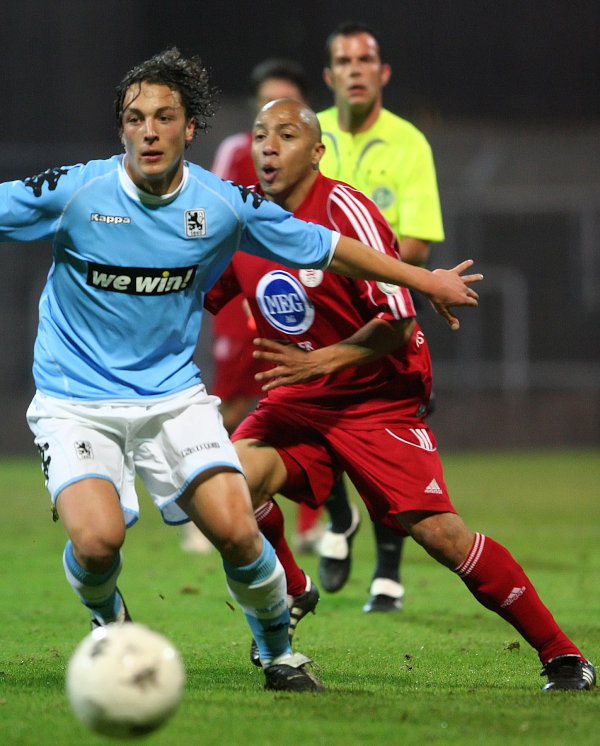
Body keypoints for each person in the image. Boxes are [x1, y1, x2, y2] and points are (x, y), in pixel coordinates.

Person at [0, 48, 480, 694]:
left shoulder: (221, 204)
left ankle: (279, 654)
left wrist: (424, 280)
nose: (149, 131)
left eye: (164, 117)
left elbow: (329, 248)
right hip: (76, 398)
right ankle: (107, 618)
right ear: (121, 128)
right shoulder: (77, 192)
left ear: (189, 127)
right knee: (96, 543)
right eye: (136, 118)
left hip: (171, 396)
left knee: (237, 528)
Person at [205, 96, 595, 692]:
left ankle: (562, 654)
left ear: (317, 151)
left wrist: (322, 361)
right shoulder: (245, 220)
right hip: (303, 398)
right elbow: (197, 291)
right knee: (226, 486)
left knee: (441, 536)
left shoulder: (344, 210)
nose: (268, 147)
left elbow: (399, 322)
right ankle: (293, 587)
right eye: (260, 135)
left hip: (375, 395)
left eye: (286, 135)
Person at [315, 21, 446, 613]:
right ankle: (338, 517)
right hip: (318, 313)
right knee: (311, 421)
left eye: (365, 59)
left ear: (383, 72)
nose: (356, 70)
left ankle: (388, 571)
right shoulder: (307, 132)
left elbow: (418, 240)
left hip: (384, 313)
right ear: (329, 75)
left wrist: (355, 265)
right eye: (344, 61)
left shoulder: (409, 142)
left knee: (387, 438)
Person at [181, 58, 323, 555]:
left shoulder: (319, 159)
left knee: (308, 397)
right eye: (266, 106)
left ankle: (311, 525)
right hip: (244, 290)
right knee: (231, 406)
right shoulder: (237, 151)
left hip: (298, 295)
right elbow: (210, 213)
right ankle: (208, 511)